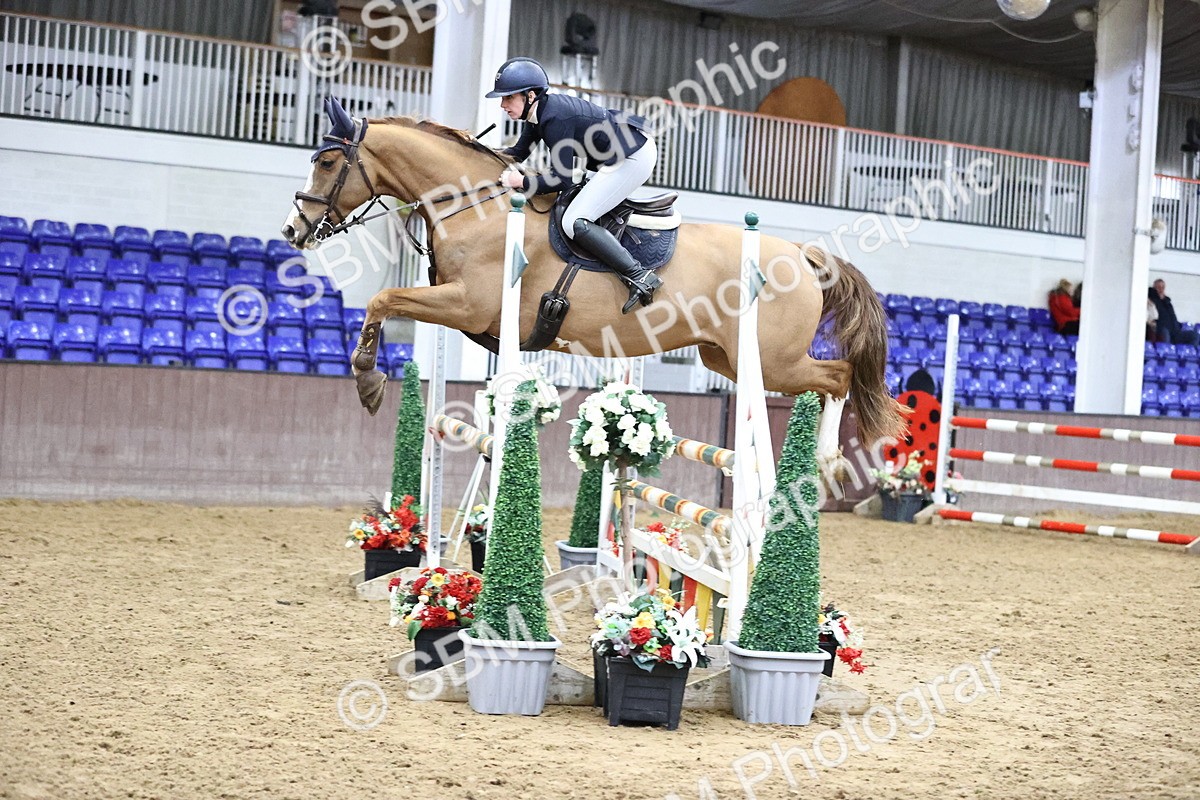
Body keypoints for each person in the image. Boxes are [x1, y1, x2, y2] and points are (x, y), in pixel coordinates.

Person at [486, 57, 662, 314]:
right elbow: (517, 153)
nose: (503, 104)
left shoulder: (555, 117)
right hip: (617, 152)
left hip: (633, 156)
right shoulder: (538, 114)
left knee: (575, 221)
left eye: (508, 98)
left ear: (530, 96)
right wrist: (478, 152)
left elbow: (562, 179)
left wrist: (520, 181)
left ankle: (640, 276)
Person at [1148, 279, 1199, 345]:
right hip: (1162, 330)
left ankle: (1186, 350)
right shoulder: (1152, 300)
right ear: (1154, 288)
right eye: (1158, 287)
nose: (1161, 289)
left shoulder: (1167, 301)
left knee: (1195, 336)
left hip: (1175, 332)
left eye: (1163, 287)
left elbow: (1172, 316)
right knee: (1164, 333)